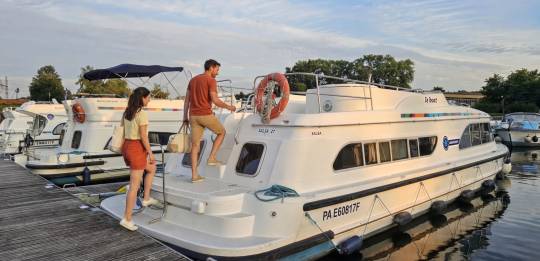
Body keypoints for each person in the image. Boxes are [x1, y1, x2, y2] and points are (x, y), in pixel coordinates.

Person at [183, 59, 235, 183]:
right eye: (217, 69)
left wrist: (184, 117)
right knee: (221, 132)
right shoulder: (211, 81)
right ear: (211, 67)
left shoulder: (192, 80)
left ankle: (194, 175)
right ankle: (211, 157)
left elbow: (186, 101)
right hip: (205, 115)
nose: (218, 73)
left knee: (195, 146)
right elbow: (215, 100)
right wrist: (229, 107)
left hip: (193, 116)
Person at [119, 87, 158, 231]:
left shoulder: (127, 112)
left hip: (127, 147)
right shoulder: (142, 114)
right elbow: (143, 136)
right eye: (148, 97)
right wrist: (151, 153)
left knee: (151, 168)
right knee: (134, 187)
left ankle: (146, 198)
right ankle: (127, 218)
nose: (150, 100)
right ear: (142, 98)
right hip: (136, 148)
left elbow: (122, 131)